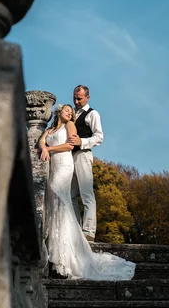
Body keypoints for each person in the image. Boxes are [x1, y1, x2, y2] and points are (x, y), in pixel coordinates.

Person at [39, 104, 135, 280]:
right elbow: (42, 139)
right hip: (55, 164)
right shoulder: (51, 128)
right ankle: (58, 244)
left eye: (71, 111)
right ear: (58, 112)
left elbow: (70, 145)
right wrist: (43, 146)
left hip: (65, 163)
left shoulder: (72, 124)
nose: (70, 112)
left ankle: (80, 240)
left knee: (67, 197)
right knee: (58, 200)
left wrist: (49, 149)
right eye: (67, 110)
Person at [66, 85, 103, 242]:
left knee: (86, 194)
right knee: (70, 194)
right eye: (74, 97)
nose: (76, 101)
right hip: (69, 156)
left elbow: (99, 137)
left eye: (79, 98)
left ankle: (89, 232)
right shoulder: (72, 114)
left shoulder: (93, 114)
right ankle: (76, 229)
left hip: (83, 154)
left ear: (87, 97)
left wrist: (82, 141)